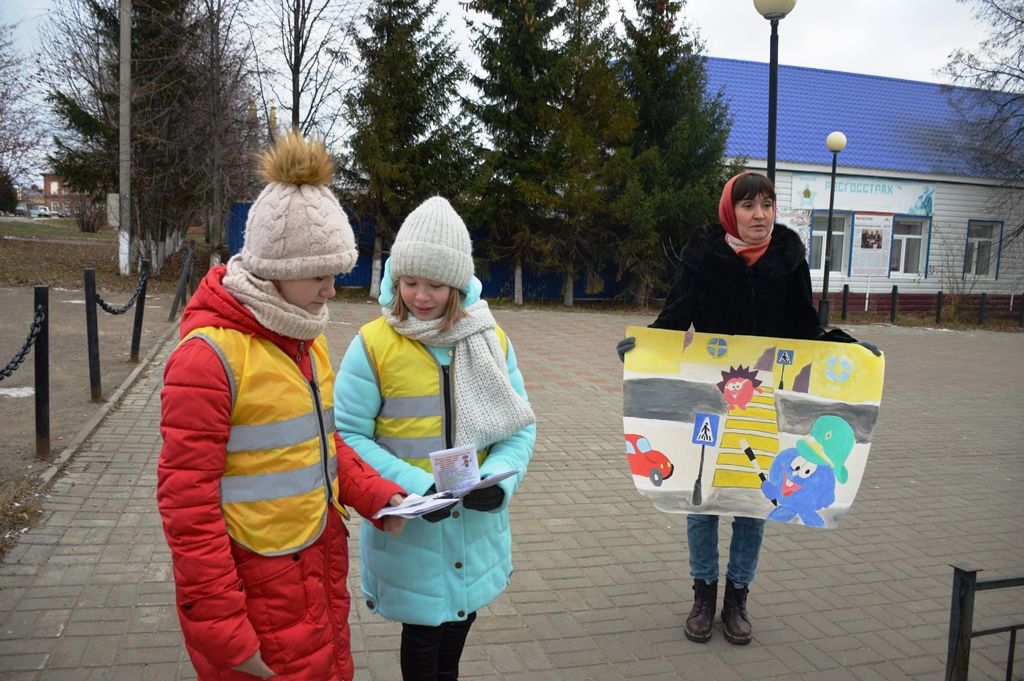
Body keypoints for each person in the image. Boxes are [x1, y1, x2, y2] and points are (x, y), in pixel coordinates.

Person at [157, 131, 408, 681]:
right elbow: (188, 511)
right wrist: (223, 631)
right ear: (278, 268)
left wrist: (379, 497)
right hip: (255, 595)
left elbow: (323, 443)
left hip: (312, 571)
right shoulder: (208, 358)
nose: (331, 291)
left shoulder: (304, 337)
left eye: (335, 275)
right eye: (321, 276)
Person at [616, 171, 878, 646]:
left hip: (762, 400)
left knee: (755, 499)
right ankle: (703, 594)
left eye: (767, 205)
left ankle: (737, 597)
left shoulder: (788, 259)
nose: (760, 215)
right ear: (729, 211)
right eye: (749, 206)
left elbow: (805, 328)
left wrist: (852, 350)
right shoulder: (703, 258)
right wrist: (642, 346)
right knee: (703, 496)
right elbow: (675, 319)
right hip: (711, 398)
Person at [333, 196, 537, 681]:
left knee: (457, 632)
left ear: (459, 285)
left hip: (474, 525)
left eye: (435, 285)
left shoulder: (491, 339)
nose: (421, 296)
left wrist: (497, 482)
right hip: (414, 529)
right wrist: (414, 487)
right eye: (410, 282)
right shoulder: (373, 346)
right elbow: (347, 436)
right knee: (423, 637)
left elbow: (519, 425)